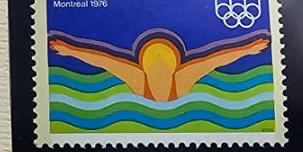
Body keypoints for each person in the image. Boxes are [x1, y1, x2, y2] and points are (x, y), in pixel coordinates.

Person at [48, 30, 268, 102]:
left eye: (163, 57)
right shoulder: (139, 78)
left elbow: (214, 60)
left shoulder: (180, 79)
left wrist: (248, 49)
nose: (159, 60)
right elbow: (104, 61)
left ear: (175, 64)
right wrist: (70, 50)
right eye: (154, 57)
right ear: (143, 64)